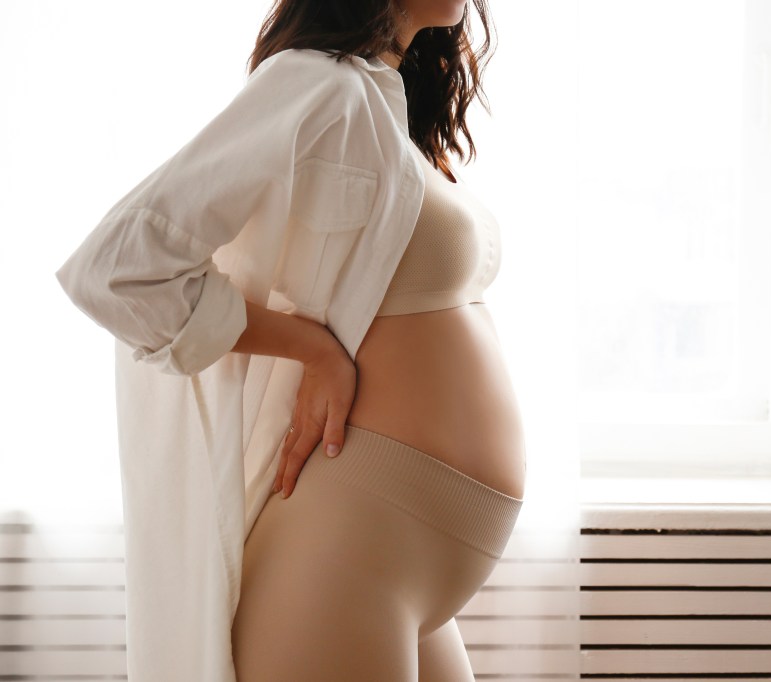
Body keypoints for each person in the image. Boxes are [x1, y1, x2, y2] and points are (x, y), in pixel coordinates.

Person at [54, 0, 525, 679]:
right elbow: (117, 267)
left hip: (401, 557)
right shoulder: (315, 83)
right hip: (348, 548)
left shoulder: (384, 104)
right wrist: (312, 348)